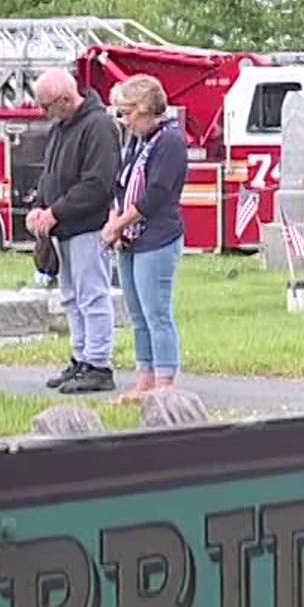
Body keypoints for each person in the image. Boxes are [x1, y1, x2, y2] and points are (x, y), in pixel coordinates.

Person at [29, 68, 121, 395]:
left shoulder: (98, 127)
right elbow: (50, 175)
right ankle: (81, 358)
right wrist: (40, 207)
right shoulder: (60, 129)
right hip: (63, 228)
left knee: (92, 296)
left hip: (88, 226)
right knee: (71, 298)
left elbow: (97, 184)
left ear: (66, 99)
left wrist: (56, 211)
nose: (44, 113)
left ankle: (99, 364)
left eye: (47, 106)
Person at [101, 74, 188, 405]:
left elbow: (157, 193)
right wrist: (115, 218)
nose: (124, 121)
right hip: (131, 238)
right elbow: (122, 184)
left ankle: (165, 384)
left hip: (158, 236)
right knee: (137, 315)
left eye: (127, 113)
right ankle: (144, 380)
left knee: (157, 312)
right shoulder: (138, 141)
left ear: (144, 108)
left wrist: (120, 223)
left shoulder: (170, 141)